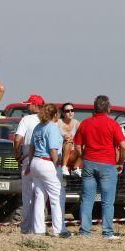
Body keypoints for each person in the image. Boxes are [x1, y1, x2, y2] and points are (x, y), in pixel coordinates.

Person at [74, 95, 125, 239]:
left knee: (87, 199)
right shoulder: (112, 124)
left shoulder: (85, 123)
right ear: (108, 109)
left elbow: (77, 145)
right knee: (107, 201)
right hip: (108, 164)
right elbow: (123, 146)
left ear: (94, 108)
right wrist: (120, 162)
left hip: (89, 163)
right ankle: (107, 232)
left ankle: (85, 231)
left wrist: (84, 155)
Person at [29, 103, 70, 238]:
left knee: (40, 196)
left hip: (36, 162)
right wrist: (57, 163)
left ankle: (38, 229)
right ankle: (59, 229)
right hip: (47, 163)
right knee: (57, 196)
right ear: (55, 115)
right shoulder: (52, 128)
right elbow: (53, 149)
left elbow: (31, 148)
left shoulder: (38, 127)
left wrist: (30, 165)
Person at [13, 94, 44, 234]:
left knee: (27, 196)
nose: (27, 106)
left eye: (29, 104)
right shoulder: (48, 119)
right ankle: (39, 228)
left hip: (27, 158)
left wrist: (17, 154)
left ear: (35, 105)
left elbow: (18, 139)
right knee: (40, 195)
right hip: (45, 160)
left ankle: (26, 229)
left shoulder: (26, 119)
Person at [57, 103, 81, 176]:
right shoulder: (58, 122)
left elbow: (81, 138)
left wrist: (73, 140)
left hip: (73, 154)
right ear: (63, 113)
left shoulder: (77, 123)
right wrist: (63, 138)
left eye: (72, 110)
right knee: (68, 143)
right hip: (60, 152)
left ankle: (75, 168)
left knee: (84, 148)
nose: (70, 112)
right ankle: (64, 167)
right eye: (67, 111)